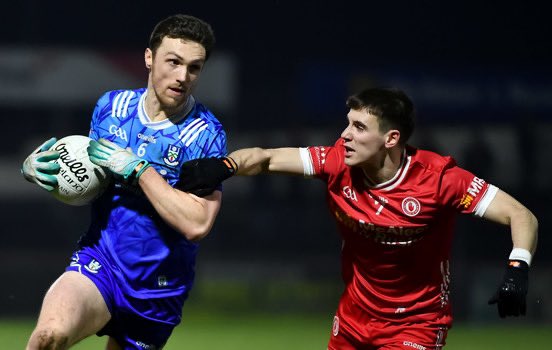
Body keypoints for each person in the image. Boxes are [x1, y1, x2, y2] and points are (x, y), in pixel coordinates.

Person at [178, 87, 538, 349]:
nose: (345, 135)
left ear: (391, 138)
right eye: (347, 124)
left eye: (359, 128)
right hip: (353, 321)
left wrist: (518, 267)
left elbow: (521, 215)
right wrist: (224, 166)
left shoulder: (439, 179)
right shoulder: (336, 162)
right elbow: (266, 157)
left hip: (417, 325)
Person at [21, 14, 231, 349]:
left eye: (194, 68)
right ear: (149, 58)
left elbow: (198, 223)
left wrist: (140, 170)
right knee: (49, 336)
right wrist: (44, 170)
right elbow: (90, 183)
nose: (183, 77)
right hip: (99, 262)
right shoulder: (111, 107)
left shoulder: (205, 136)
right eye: (173, 62)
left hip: (157, 291)